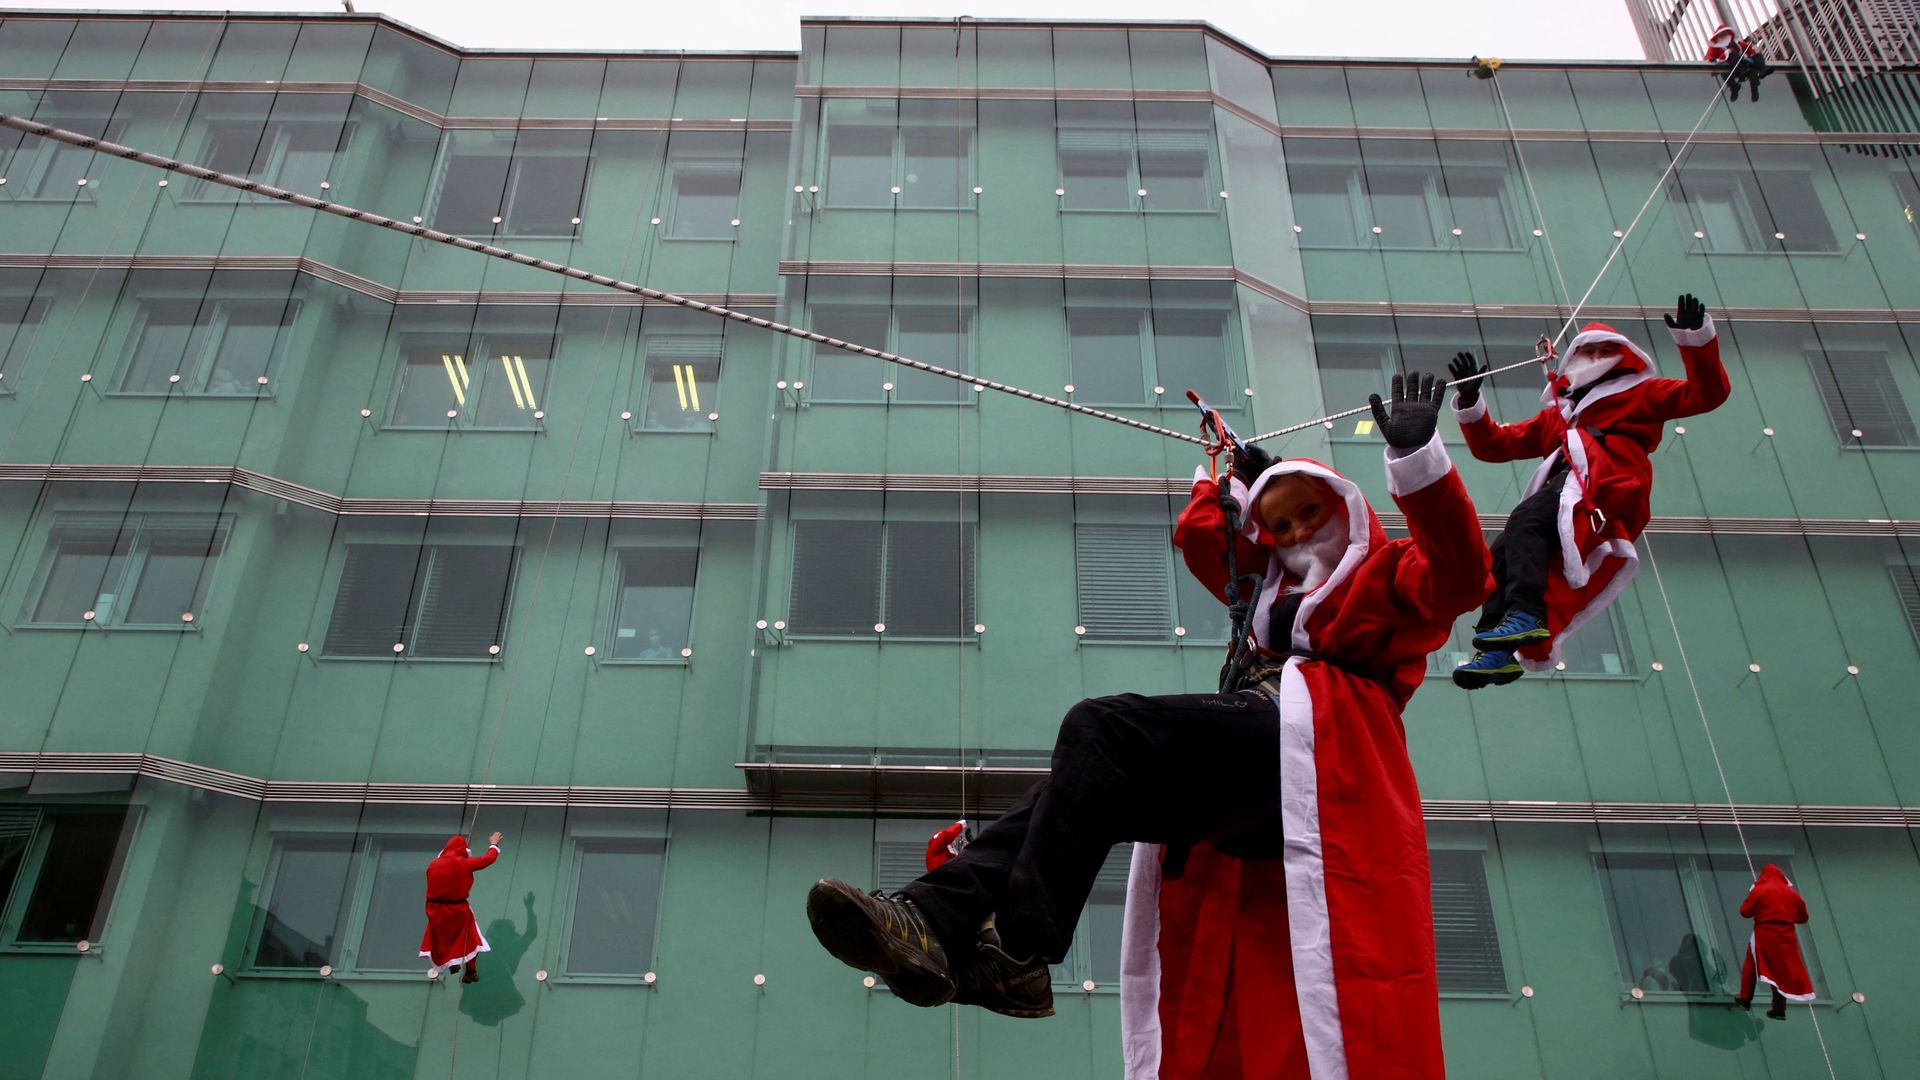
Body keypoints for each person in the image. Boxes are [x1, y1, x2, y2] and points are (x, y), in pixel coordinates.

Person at [806, 373, 1490, 1079]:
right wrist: (1231, 489)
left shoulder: (1389, 573)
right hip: (1255, 775)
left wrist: (1419, 464)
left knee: (1103, 732)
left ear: (1345, 511)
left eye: (1307, 515)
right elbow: (1211, 546)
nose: (1291, 536)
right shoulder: (1271, 592)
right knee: (1079, 786)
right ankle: (928, 917)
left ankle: (1019, 945)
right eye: (1278, 526)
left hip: (1320, 755)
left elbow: (1464, 576)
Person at [1446, 295, 1730, 688]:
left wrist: (1694, 338)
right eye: (1588, 351)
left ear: (1623, 357)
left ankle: (1525, 616)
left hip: (1609, 483)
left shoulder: (1641, 394)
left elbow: (1706, 393)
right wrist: (1469, 401)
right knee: (1503, 554)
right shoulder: (1559, 416)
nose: (1595, 357)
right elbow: (1495, 446)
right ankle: (1497, 650)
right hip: (1568, 488)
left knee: (1525, 521)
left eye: (1604, 351)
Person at [1734, 863, 1814, 1020]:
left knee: (1751, 963)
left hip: (1765, 931)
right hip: (1787, 935)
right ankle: (1779, 1009)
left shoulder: (1760, 889)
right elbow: (1803, 917)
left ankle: (1744, 999)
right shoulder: (1792, 893)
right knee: (1780, 970)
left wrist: (1762, 909)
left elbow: (1745, 912)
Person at [420, 831, 502, 983]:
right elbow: (488, 859)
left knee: (442, 938)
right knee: (471, 937)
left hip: (434, 909)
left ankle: (452, 963)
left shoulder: (433, 864)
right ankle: (471, 970)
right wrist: (494, 844)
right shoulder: (463, 863)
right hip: (456, 908)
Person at [1703, 24, 1772, 103]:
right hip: (1728, 69)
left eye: (1726, 33)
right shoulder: (1715, 47)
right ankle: (1734, 87)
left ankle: (1762, 72)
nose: (1725, 36)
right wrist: (1722, 56)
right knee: (1732, 56)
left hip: (1744, 65)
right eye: (1722, 34)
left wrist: (1742, 49)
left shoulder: (1737, 43)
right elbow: (1708, 58)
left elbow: (1749, 50)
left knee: (1757, 59)